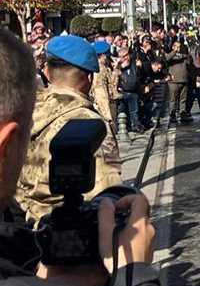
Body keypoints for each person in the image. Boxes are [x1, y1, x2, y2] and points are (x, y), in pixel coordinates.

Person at [0, 31, 200, 286]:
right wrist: (133, 275)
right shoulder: (85, 124)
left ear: (48, 71)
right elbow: (108, 198)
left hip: (24, 249)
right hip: (76, 260)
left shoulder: (25, 110)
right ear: (86, 78)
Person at [15, 36, 123, 224]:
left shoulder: (21, 113)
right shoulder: (90, 125)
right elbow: (106, 194)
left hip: (21, 233)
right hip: (69, 233)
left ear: (47, 72)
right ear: (89, 78)